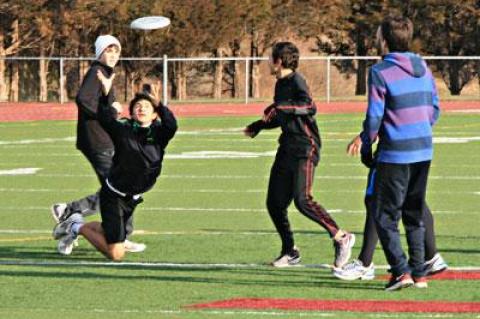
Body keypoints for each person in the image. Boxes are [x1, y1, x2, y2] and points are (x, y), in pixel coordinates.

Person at [348, 16, 440, 291]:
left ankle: (401, 271)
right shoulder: (423, 66)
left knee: (384, 214)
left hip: (395, 153)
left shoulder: (380, 71)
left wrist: (367, 142)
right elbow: (434, 108)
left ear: (383, 40)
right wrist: (418, 127)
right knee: (413, 213)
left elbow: (374, 117)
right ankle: (420, 274)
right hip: (423, 149)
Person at [244, 42, 355, 268]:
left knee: (302, 200)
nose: (267, 62)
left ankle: (341, 236)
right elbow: (281, 115)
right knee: (274, 203)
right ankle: (290, 251)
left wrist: (279, 107)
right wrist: (259, 125)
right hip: (287, 147)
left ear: (279, 61)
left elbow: (308, 106)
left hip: (306, 147)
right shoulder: (280, 84)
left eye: (270, 58)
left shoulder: (296, 80)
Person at [52, 72, 177, 261]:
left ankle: (75, 224)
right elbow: (105, 119)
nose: (141, 108)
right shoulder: (123, 130)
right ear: (132, 112)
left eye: (146, 106)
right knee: (116, 254)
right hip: (114, 196)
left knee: (106, 230)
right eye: (137, 106)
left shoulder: (159, 133)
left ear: (154, 114)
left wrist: (159, 103)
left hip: (132, 198)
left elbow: (172, 125)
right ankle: (74, 227)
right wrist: (106, 92)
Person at [51, 35, 145, 255]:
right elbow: (84, 100)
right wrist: (110, 111)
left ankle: (70, 213)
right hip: (96, 141)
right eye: (109, 51)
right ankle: (117, 234)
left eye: (116, 51)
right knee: (120, 188)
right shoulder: (97, 72)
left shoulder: (105, 73)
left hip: (103, 139)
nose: (113, 55)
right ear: (100, 52)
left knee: (120, 187)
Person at [333, 153, 448, 280]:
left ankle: (365, 263)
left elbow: (376, 132)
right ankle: (431, 257)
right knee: (411, 197)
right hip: (419, 146)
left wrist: (366, 140)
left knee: (375, 198)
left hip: (395, 148)